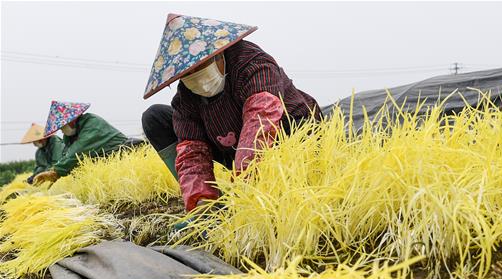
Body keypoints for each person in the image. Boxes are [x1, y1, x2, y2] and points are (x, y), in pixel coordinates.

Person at [141, 14, 321, 212]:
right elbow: (192, 152)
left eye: (201, 66)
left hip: (288, 136)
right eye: (187, 74)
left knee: (287, 181)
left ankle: (266, 186)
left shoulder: (251, 63)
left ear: (218, 52)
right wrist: (201, 201)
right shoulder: (185, 99)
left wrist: (243, 190)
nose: (197, 78)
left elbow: (260, 122)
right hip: (231, 145)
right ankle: (212, 204)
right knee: (155, 117)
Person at [31, 101, 135, 185]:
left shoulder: (92, 123)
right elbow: (66, 154)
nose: (62, 131)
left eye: (62, 127)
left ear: (71, 120)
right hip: (107, 162)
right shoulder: (71, 135)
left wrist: (55, 172)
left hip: (125, 155)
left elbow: (78, 152)